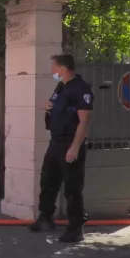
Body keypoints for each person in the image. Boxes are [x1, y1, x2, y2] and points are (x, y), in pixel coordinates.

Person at [30, 54, 94, 243]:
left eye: (54, 68)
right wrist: (47, 106)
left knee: (72, 187)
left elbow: (84, 121)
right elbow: (57, 107)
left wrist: (74, 147)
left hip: (70, 142)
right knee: (48, 180)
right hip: (56, 141)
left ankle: (76, 228)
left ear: (63, 69)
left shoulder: (81, 89)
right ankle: (45, 218)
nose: (52, 71)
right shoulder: (61, 87)